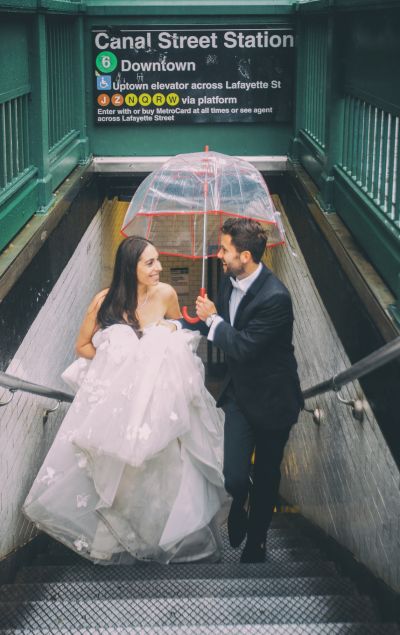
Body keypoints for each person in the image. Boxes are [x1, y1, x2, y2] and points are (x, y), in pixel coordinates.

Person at [23, 236, 226, 564]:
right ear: (129, 267)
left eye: (158, 260)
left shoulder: (167, 295)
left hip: (158, 408)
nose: (159, 267)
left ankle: (161, 541)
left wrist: (166, 335)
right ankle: (116, 543)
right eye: (150, 262)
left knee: (163, 473)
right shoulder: (105, 301)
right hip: (120, 407)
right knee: (123, 478)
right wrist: (117, 359)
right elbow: (83, 346)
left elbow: (179, 339)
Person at [193, 218, 303, 563]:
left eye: (225, 249)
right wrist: (173, 323)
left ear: (245, 255)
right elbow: (219, 321)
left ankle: (257, 543)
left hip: (273, 400)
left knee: (268, 472)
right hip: (240, 394)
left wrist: (213, 321)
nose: (219, 254)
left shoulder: (276, 298)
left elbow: (241, 347)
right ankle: (240, 499)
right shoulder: (229, 281)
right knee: (234, 476)